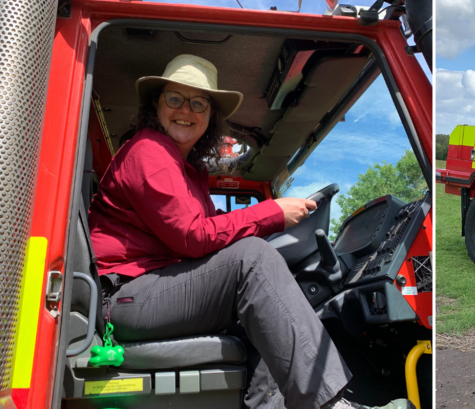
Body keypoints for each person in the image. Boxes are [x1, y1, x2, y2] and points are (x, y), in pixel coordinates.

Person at [87, 54, 411, 409]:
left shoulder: (188, 172)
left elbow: (210, 240)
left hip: (152, 289)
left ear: (210, 116)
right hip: (125, 297)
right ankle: (330, 406)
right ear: (156, 104)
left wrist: (264, 223)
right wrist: (271, 212)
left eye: (199, 103)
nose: (186, 110)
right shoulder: (148, 150)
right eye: (175, 99)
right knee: (253, 261)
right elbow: (194, 237)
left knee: (263, 306)